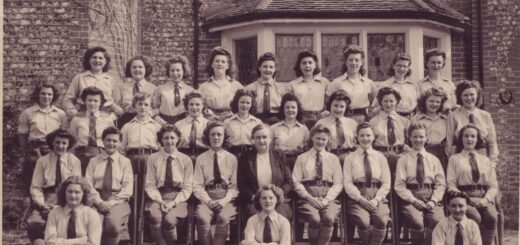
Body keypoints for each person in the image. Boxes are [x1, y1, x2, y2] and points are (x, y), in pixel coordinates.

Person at [27, 129, 81, 245]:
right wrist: (42, 205)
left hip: (67, 198)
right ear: (52, 143)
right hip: (47, 198)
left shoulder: (74, 161)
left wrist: (64, 204)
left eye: (64, 143)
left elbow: (76, 187)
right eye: (57, 142)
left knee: (68, 224)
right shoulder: (42, 161)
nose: (60, 146)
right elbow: (36, 187)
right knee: (34, 224)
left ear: (68, 145)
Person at [395, 122, 446, 244]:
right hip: (411, 198)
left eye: (421, 137)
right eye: (415, 137)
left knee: (438, 222)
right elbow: (399, 185)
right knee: (417, 221)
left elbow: (440, 184)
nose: (418, 140)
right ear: (409, 139)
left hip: (430, 197)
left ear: (426, 138)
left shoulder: (433, 160)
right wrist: (413, 200)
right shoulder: (403, 160)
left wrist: (434, 201)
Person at [446, 125, 498, 245]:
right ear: (461, 139)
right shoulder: (454, 159)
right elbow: (451, 184)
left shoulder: (485, 160)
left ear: (477, 139)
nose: (469, 139)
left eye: (473, 136)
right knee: (475, 218)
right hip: (464, 198)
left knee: (492, 217)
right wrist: (464, 197)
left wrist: (485, 200)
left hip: (482, 197)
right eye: (466, 136)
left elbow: (493, 185)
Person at [120, 92, 161, 243]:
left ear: (150, 107)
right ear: (134, 105)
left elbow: (161, 147)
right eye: (140, 104)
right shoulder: (127, 126)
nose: (143, 107)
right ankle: (134, 237)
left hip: (151, 160)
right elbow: (122, 148)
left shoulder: (156, 126)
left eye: (146, 104)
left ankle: (150, 235)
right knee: (134, 198)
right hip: (132, 160)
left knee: (150, 196)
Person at [292, 124, 343, 245]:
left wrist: (327, 199)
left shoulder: (333, 158)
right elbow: (296, 181)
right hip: (308, 195)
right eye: (318, 138)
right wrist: (308, 197)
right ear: (312, 138)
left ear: (328, 140)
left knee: (329, 218)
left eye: (324, 139)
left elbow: (338, 183)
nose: (320, 142)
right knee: (314, 219)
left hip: (328, 195)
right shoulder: (302, 158)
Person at [145, 124, 194, 245]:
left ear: (178, 139)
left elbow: (188, 187)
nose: (169, 141)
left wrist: (174, 202)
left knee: (169, 221)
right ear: (161, 140)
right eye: (166, 138)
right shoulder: (153, 158)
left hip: (178, 197)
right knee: (155, 217)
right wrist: (160, 201)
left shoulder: (185, 159)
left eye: (172, 138)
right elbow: (150, 184)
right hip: (157, 196)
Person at [343, 122, 391, 245]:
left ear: (373, 137)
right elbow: (348, 183)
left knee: (381, 219)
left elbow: (386, 183)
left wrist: (376, 199)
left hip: (377, 194)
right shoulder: (350, 158)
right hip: (358, 195)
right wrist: (359, 199)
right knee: (363, 221)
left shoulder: (380, 157)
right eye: (362, 135)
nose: (365, 138)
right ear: (357, 138)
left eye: (368, 135)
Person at [85, 127, 133, 245]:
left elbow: (127, 188)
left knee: (112, 225)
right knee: (93, 222)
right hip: (96, 199)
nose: (111, 143)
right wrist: (99, 201)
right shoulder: (94, 161)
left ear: (120, 142)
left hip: (118, 200)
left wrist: (110, 203)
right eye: (108, 140)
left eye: (115, 141)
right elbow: (88, 184)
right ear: (103, 141)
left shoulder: (125, 162)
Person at [193, 121, 239, 245]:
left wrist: (224, 201)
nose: (216, 137)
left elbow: (234, 186)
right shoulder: (201, 158)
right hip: (207, 196)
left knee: (223, 218)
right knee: (202, 217)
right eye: (212, 134)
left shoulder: (232, 158)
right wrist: (208, 201)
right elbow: (197, 185)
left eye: (219, 134)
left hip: (226, 197)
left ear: (224, 137)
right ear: (208, 137)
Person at [238, 124, 293, 220]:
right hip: (254, 201)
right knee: (254, 218)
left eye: (264, 137)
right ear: (253, 140)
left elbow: (288, 182)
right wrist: (254, 197)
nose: (261, 140)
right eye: (258, 137)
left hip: (277, 200)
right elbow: (241, 183)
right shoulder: (245, 157)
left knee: (281, 217)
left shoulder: (280, 156)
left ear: (270, 139)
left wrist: (278, 195)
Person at [19, 82, 68, 186]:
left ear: (53, 96)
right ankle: (33, 201)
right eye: (43, 93)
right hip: (35, 150)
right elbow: (23, 135)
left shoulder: (60, 114)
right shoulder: (28, 113)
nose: (46, 97)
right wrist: (26, 152)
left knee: (53, 180)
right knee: (33, 180)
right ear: (38, 94)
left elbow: (64, 135)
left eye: (49, 94)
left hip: (54, 150)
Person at [446, 81, 498, 164]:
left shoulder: (485, 116)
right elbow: (449, 144)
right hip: (461, 160)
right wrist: (453, 164)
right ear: (460, 97)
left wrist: (492, 164)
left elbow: (492, 143)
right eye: (465, 95)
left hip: (483, 159)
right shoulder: (453, 116)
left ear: (477, 95)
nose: (469, 98)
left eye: (472, 94)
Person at [63, 46, 123, 118]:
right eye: (94, 57)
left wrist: (112, 117)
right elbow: (68, 99)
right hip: (83, 115)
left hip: (105, 116)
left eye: (101, 58)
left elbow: (118, 102)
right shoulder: (79, 78)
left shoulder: (111, 80)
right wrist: (73, 111)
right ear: (89, 60)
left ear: (105, 61)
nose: (97, 60)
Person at [69, 86, 117, 175]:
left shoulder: (107, 120)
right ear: (85, 101)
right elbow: (72, 142)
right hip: (82, 155)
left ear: (100, 103)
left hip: (101, 154)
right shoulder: (77, 119)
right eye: (89, 100)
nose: (92, 103)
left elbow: (113, 140)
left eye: (95, 101)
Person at [44, 176, 102, 245]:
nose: (73, 195)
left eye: (77, 192)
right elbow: (49, 242)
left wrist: (60, 242)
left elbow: (93, 243)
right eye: (70, 191)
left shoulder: (92, 215)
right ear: (64, 192)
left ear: (84, 194)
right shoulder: (54, 213)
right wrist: (80, 241)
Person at [326, 45, 377, 123]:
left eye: (357, 60)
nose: (353, 63)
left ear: (362, 62)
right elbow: (328, 102)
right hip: (343, 118)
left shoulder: (368, 83)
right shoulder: (337, 82)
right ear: (346, 62)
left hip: (363, 119)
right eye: (350, 60)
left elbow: (377, 101)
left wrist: (371, 113)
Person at [369, 87, 410, 174]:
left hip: (400, 156)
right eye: (385, 101)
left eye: (391, 101)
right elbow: (370, 142)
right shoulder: (373, 122)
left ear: (397, 102)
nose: (388, 104)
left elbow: (409, 141)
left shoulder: (404, 121)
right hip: (381, 156)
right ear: (380, 102)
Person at [198, 46, 243, 121]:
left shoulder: (236, 85)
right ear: (212, 64)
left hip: (231, 120)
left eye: (223, 62)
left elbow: (244, 103)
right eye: (217, 61)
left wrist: (235, 113)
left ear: (227, 66)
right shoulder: (204, 87)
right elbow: (199, 105)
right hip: (211, 120)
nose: (220, 64)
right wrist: (207, 112)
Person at [287, 50, 329, 128]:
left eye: (310, 62)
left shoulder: (324, 82)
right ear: (299, 66)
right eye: (304, 63)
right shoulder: (292, 85)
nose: (307, 65)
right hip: (301, 118)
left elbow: (330, 101)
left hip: (320, 117)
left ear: (315, 65)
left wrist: (326, 112)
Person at [371, 52, 420, 118]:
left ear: (408, 68)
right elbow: (375, 108)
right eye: (399, 65)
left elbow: (418, 106)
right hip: (393, 119)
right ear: (394, 66)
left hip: (411, 119)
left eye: (405, 66)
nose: (402, 69)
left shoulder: (414, 85)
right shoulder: (385, 85)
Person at [411, 88, 449, 171]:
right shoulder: (417, 119)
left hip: (441, 152)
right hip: (423, 150)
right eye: (431, 101)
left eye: (438, 102)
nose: (434, 104)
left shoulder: (445, 119)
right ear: (424, 102)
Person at [115, 55, 157, 128]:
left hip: (146, 121)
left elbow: (156, 107)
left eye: (140, 67)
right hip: (125, 120)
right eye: (134, 67)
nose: (137, 69)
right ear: (130, 70)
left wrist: (150, 113)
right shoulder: (121, 87)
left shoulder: (153, 88)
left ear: (146, 69)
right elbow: (117, 104)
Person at [270, 93, 310, 170]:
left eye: (293, 107)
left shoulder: (304, 129)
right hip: (278, 162)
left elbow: (307, 150)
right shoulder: (273, 128)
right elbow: (270, 148)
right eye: (287, 107)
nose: (290, 110)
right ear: (283, 109)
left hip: (298, 163)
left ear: (298, 109)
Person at [315, 91, 358, 163]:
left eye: (342, 106)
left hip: (348, 157)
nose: (338, 109)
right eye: (335, 105)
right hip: (328, 157)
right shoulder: (321, 123)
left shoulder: (352, 123)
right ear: (330, 106)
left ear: (346, 108)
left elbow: (358, 143)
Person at [246, 52, 286, 124]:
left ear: (275, 69)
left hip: (277, 120)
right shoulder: (250, 88)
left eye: (271, 67)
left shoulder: (282, 88)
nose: (268, 70)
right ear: (259, 68)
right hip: (256, 120)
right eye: (265, 66)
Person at [153, 54, 195, 124]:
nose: (175, 73)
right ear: (168, 72)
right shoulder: (160, 89)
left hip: (183, 122)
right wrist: (161, 122)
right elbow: (154, 108)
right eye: (172, 70)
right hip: (164, 122)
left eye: (178, 70)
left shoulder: (190, 90)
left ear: (183, 71)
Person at [224, 89, 262, 160]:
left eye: (248, 103)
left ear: (252, 104)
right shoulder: (228, 122)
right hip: (233, 155)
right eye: (242, 102)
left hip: (251, 156)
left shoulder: (257, 122)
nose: (245, 105)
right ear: (236, 103)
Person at [175, 91, 210, 162]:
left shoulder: (208, 124)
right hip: (183, 157)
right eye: (191, 104)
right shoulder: (178, 125)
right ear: (186, 106)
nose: (194, 107)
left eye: (197, 104)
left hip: (204, 157)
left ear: (203, 106)